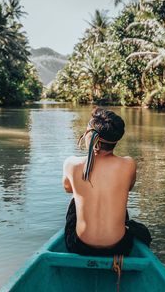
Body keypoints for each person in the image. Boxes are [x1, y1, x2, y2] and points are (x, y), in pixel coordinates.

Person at [62, 107, 151, 257]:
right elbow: (128, 187)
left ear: (90, 137)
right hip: (120, 247)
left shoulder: (71, 164)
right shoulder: (129, 164)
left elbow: (68, 188)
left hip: (79, 246)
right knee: (118, 197)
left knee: (74, 198)